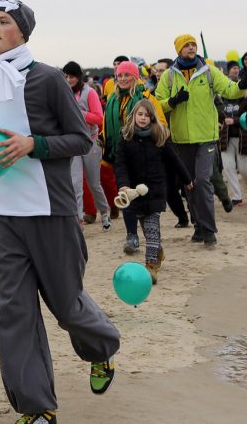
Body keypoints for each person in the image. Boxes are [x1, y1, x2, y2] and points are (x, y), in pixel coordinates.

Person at [0, 0, 120, 424]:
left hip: (51, 208)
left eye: (3, 22)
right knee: (14, 312)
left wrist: (32, 145)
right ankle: (38, 409)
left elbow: (81, 139)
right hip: (3, 211)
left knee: (66, 304)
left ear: (23, 30)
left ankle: (102, 346)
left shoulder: (49, 78)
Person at [155, 34, 247, 247]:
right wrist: (172, 101)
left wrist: (243, 84)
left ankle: (208, 230)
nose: (191, 48)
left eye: (193, 45)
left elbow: (230, 89)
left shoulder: (209, 71)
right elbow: (157, 103)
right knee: (189, 183)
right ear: (179, 50)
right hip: (181, 138)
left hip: (207, 137)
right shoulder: (169, 76)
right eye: (187, 45)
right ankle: (198, 226)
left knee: (203, 180)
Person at [114, 100, 192, 283]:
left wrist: (187, 179)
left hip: (156, 190)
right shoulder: (125, 138)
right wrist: (124, 185)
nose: (143, 118)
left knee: (151, 229)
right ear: (133, 116)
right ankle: (158, 251)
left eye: (146, 115)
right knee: (146, 227)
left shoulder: (159, 137)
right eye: (139, 114)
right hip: (135, 192)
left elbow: (174, 160)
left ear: (152, 118)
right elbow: (120, 165)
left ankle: (151, 267)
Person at [102, 60, 167, 253]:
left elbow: (161, 123)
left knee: (142, 199)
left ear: (135, 77)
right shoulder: (113, 99)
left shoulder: (147, 98)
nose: (122, 79)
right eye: (119, 76)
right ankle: (132, 235)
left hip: (144, 156)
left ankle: (150, 237)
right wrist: (104, 141)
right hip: (121, 154)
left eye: (126, 75)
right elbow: (107, 124)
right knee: (125, 193)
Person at [62, 61, 111, 229]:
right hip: (73, 143)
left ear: (79, 77)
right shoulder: (63, 93)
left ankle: (104, 212)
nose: (68, 79)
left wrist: (79, 113)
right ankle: (78, 220)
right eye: (66, 76)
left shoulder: (89, 93)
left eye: (72, 76)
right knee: (75, 183)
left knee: (93, 183)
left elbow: (99, 118)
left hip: (90, 142)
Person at [219, 61, 247, 205]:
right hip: (225, 136)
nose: (235, 71)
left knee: (244, 169)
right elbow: (217, 112)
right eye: (233, 69)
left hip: (242, 136)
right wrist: (219, 121)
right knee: (228, 168)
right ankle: (237, 196)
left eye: (237, 69)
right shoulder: (220, 96)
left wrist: (234, 121)